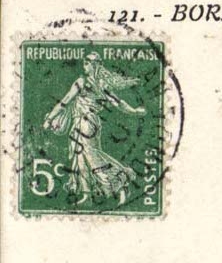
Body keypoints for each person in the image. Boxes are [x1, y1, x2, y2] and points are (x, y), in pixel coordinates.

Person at [43, 53, 146, 206]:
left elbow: (64, 102)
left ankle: (120, 182)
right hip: (91, 123)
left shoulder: (82, 82)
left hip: (84, 123)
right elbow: (119, 103)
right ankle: (86, 194)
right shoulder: (103, 85)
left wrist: (49, 119)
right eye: (84, 62)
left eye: (87, 62)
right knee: (81, 158)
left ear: (94, 65)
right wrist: (134, 111)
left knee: (92, 158)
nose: (84, 65)